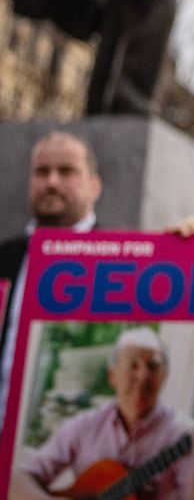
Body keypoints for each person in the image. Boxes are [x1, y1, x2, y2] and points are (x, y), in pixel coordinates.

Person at [12, 327, 194, 500]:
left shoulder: (185, 434)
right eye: (133, 365)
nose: (142, 376)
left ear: (164, 376)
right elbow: (20, 477)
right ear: (113, 376)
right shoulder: (85, 424)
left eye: (153, 367)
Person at [0, 132, 104, 429]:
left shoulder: (124, 260)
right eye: (42, 172)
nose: (52, 182)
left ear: (94, 186)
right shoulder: (5, 257)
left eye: (67, 171)